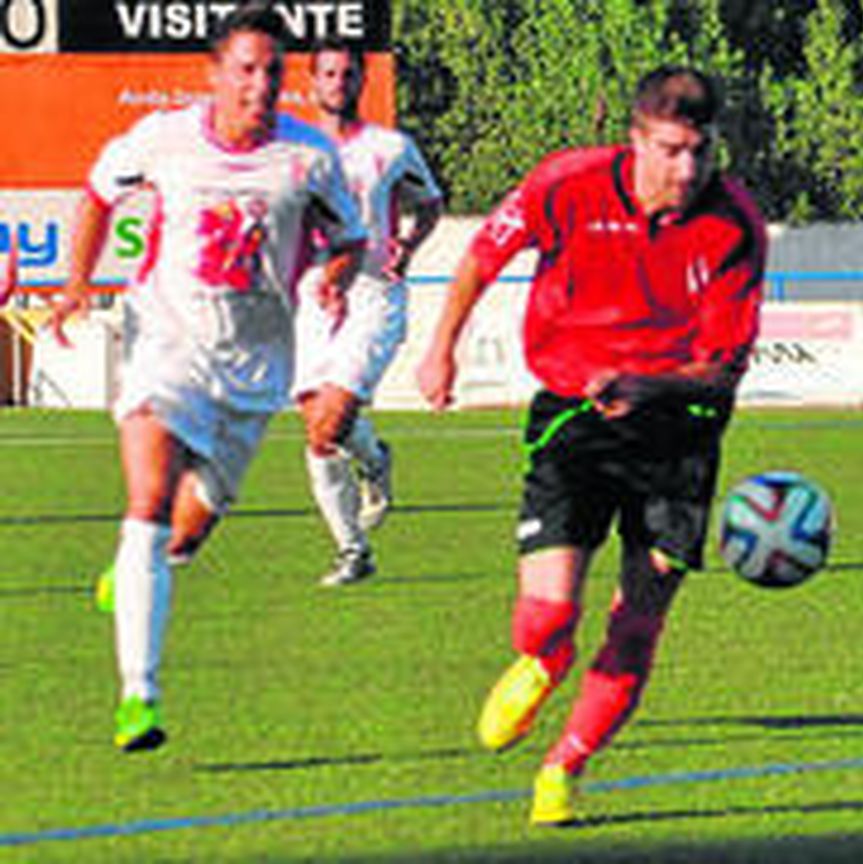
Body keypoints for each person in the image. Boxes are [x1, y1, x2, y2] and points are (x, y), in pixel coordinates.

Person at [414, 66, 765, 827]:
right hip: (573, 416)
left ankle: (564, 767)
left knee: (637, 622)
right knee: (548, 618)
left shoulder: (735, 223)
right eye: (671, 150)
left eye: (700, 152)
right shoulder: (564, 184)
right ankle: (544, 659)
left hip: (681, 433)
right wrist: (441, 345)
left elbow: (724, 369)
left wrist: (647, 384)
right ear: (635, 140)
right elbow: (480, 257)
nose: (687, 169)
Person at [47, 2, 365, 752]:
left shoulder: (309, 157)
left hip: (254, 368)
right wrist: (74, 285)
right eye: (246, 69)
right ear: (216, 74)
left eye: (272, 72)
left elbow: (347, 237)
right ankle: (139, 697)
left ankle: (135, 575)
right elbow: (97, 194)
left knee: (186, 532)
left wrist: (336, 276)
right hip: (166, 344)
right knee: (149, 502)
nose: (260, 85)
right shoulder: (164, 139)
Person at [293, 37, 444, 586]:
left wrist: (411, 242)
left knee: (333, 416)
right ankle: (353, 548)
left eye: (347, 74)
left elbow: (429, 201)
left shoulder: (390, 147)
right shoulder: (291, 150)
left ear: (362, 81)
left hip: (374, 293)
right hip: (311, 296)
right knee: (317, 431)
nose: (337, 83)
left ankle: (374, 462)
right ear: (313, 83)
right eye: (327, 74)